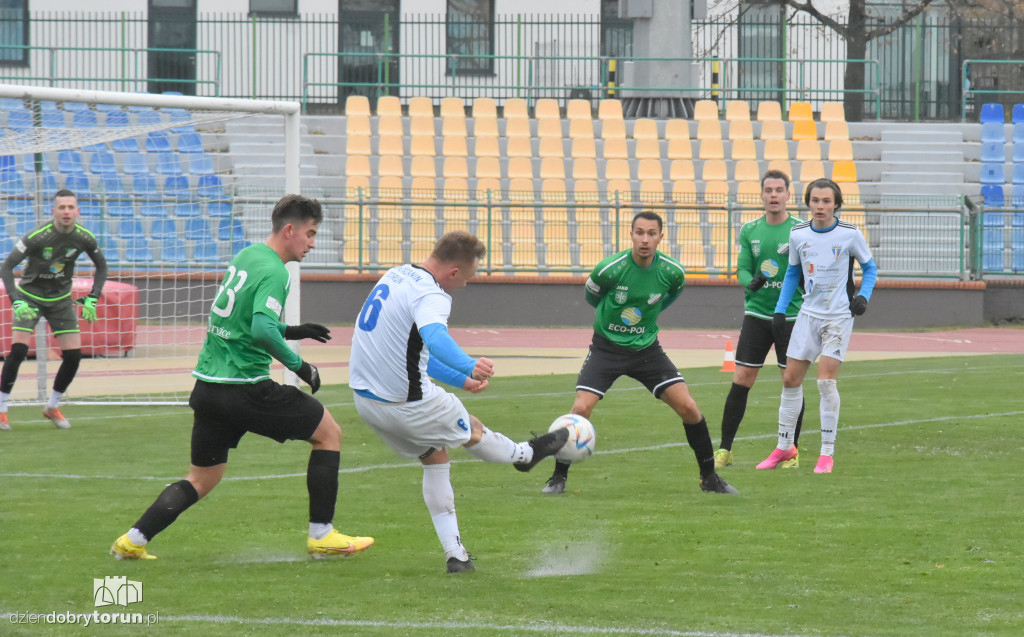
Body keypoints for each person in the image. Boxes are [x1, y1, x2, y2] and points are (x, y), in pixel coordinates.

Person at [111, 194, 373, 560]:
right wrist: (301, 367)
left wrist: (292, 330)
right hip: (246, 389)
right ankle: (322, 535)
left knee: (202, 478)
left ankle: (132, 540)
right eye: (310, 234)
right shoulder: (276, 271)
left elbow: (245, 321)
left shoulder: (247, 255)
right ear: (289, 230)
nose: (312, 243)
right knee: (329, 433)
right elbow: (263, 331)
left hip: (208, 387)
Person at [348, 231, 569, 574]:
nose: (465, 285)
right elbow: (435, 339)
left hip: (366, 401)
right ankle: (525, 455)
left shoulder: (396, 275)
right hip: (407, 403)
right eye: (467, 278)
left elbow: (413, 352)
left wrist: (461, 380)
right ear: (453, 272)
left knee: (436, 454)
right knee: (473, 429)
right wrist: (469, 365)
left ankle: (457, 556)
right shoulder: (433, 294)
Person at [542, 211, 738, 496]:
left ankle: (709, 478)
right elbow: (592, 297)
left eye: (651, 233)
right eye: (639, 232)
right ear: (631, 234)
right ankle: (557, 478)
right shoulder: (610, 269)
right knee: (580, 410)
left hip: (647, 351)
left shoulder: (673, 272)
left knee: (689, 408)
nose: (644, 239)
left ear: (661, 236)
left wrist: (644, 324)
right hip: (606, 350)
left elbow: (668, 297)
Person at [756, 178, 878, 474]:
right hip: (807, 316)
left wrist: (863, 297)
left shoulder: (849, 234)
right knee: (790, 380)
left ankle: (826, 454)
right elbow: (792, 274)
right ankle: (785, 448)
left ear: (836, 204)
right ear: (808, 202)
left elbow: (870, 267)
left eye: (826, 201)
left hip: (838, 318)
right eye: (815, 200)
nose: (820, 206)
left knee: (825, 382)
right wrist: (780, 311)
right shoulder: (798, 234)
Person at [714, 170, 805, 469]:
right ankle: (725, 450)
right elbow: (742, 268)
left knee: (791, 383)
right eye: (769, 190)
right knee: (741, 379)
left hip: (790, 317)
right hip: (756, 316)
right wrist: (749, 281)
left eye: (780, 190)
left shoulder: (800, 230)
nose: (774, 195)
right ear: (762, 195)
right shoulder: (751, 230)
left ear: (789, 195)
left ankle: (792, 450)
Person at [0, 189, 108, 431]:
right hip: (29, 297)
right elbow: (7, 268)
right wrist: (16, 300)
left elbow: (101, 266)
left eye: (71, 207)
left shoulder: (85, 238)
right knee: (18, 351)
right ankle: (1, 408)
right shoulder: (38, 237)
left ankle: (52, 406)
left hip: (60, 299)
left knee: (73, 356)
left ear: (78, 211)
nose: (67, 212)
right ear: (54, 211)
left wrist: (93, 297)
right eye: (62, 208)